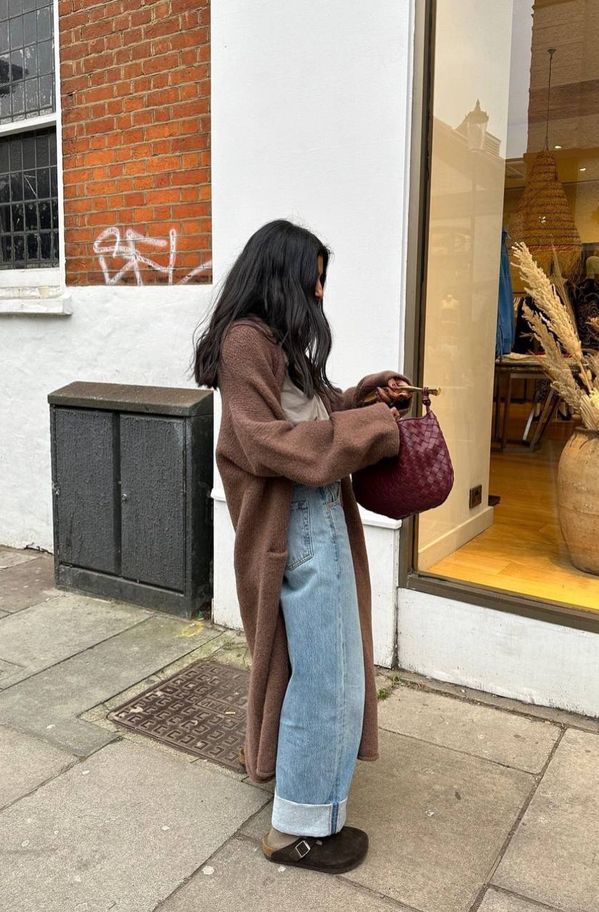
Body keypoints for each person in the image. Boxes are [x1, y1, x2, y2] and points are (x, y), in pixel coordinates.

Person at [192, 219, 412, 875]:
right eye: (314, 273)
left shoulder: (277, 342)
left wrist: (361, 397)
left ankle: (310, 802)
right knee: (323, 678)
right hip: (295, 526)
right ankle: (296, 830)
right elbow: (263, 441)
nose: (320, 287)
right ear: (283, 272)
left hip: (317, 515)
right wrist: (372, 429)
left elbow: (310, 417)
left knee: (333, 671)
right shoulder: (243, 343)